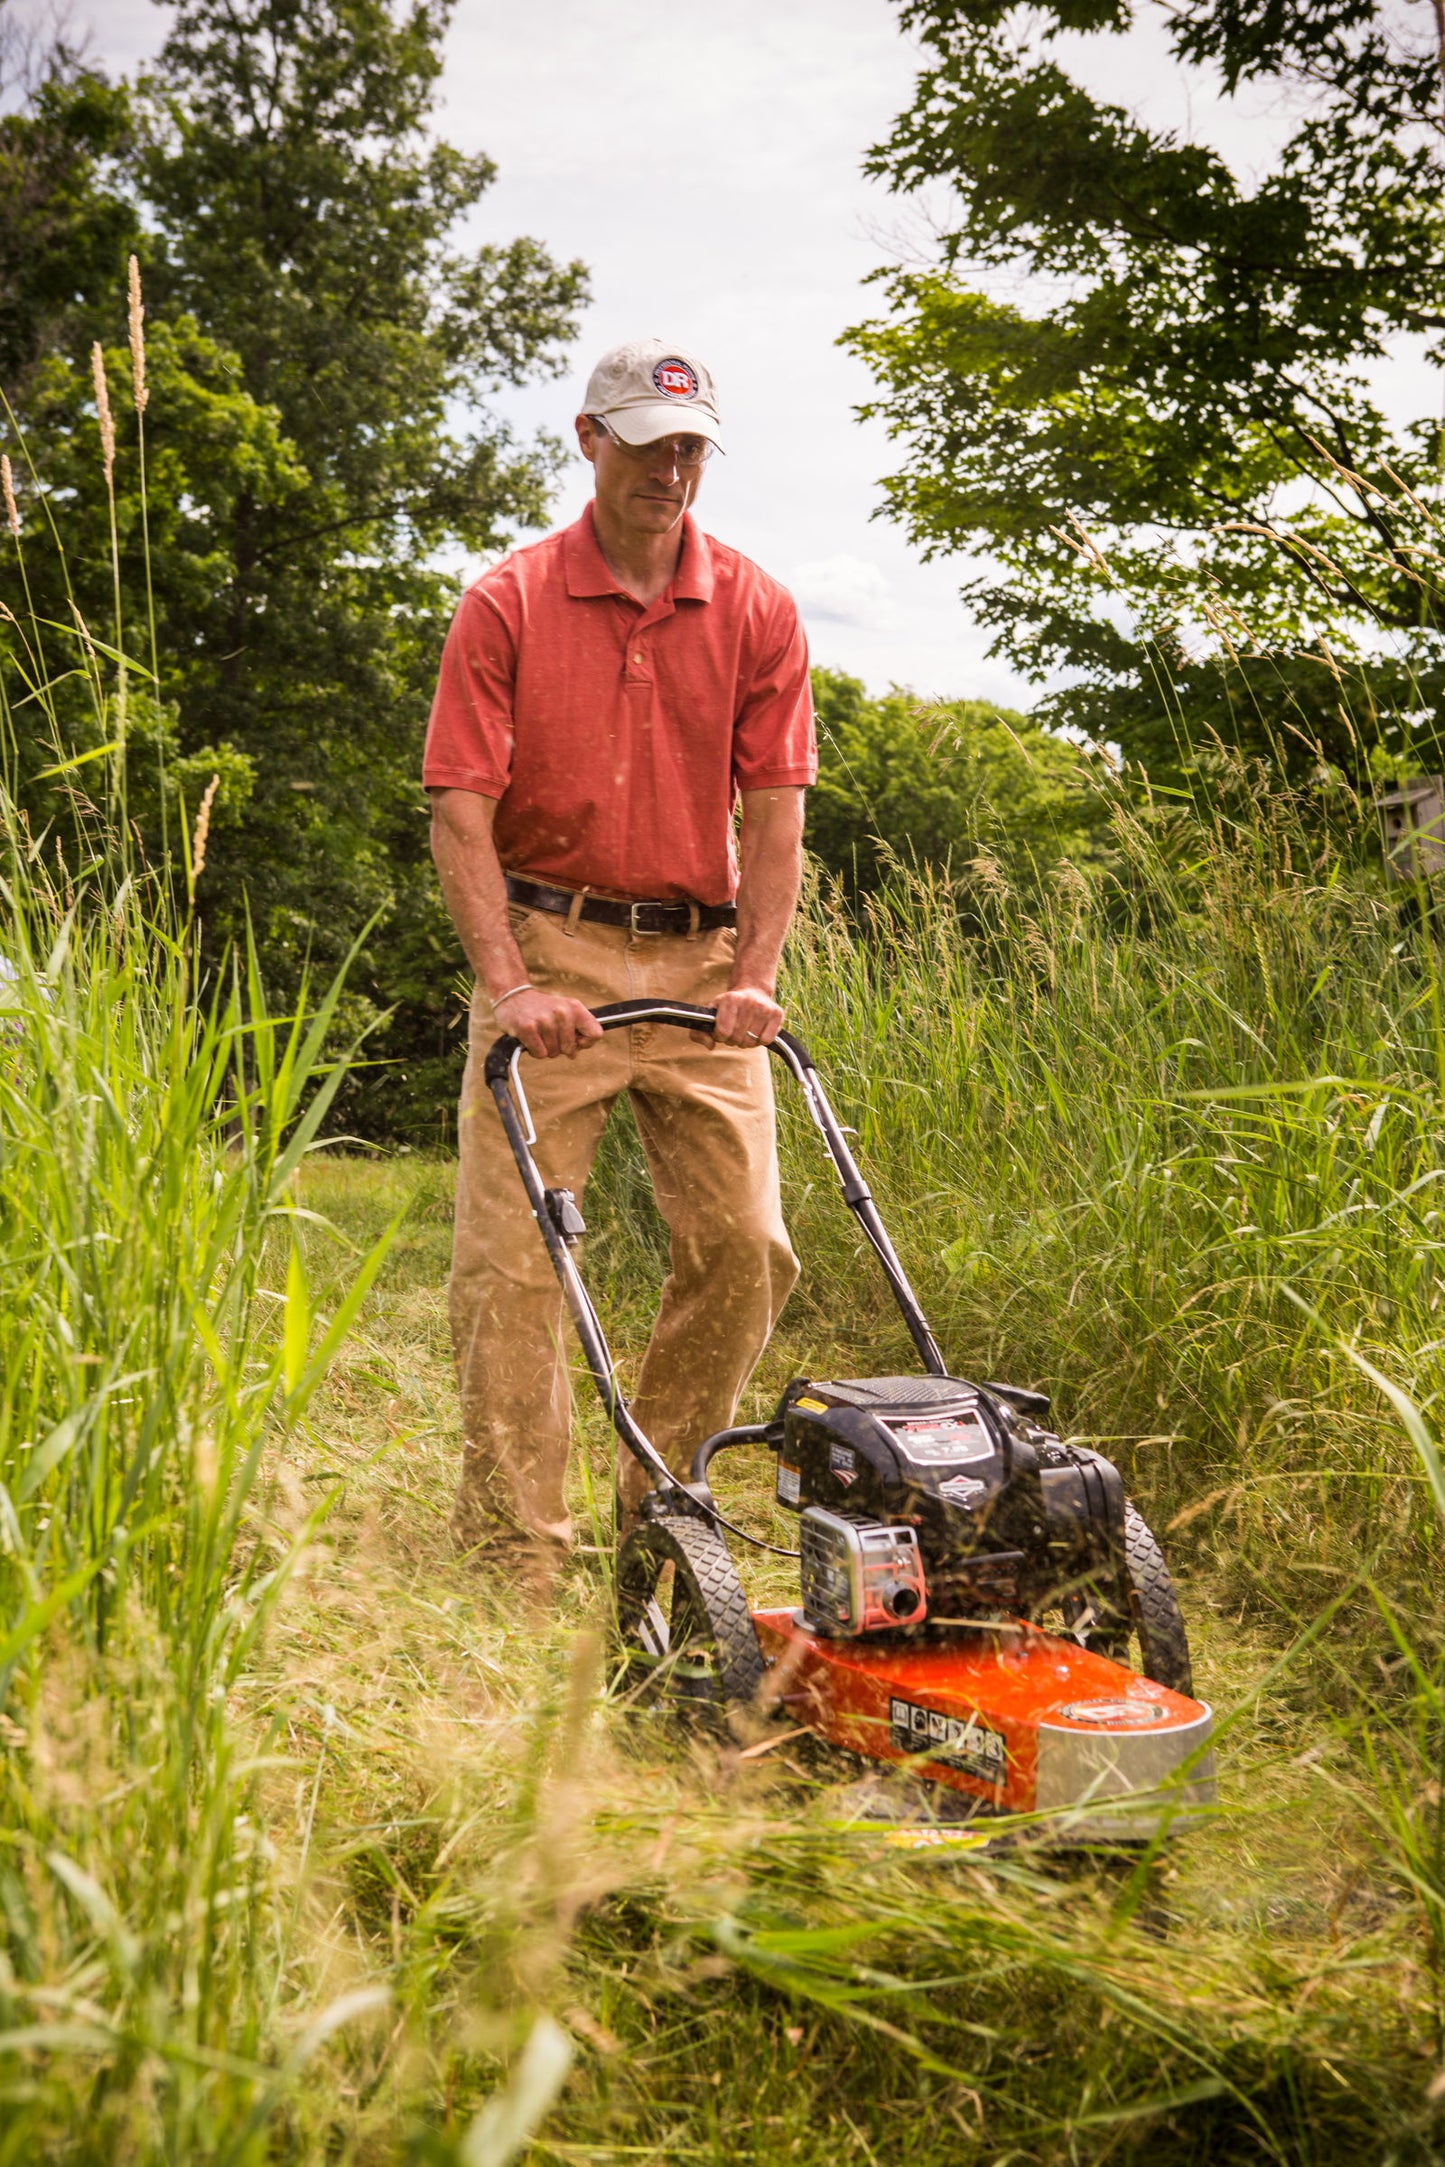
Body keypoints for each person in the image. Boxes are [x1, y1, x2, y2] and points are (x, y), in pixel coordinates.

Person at [423, 337, 817, 1599]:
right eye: (647, 444)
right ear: (589, 440)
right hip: (550, 956)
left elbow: (774, 814)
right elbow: (458, 810)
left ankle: (659, 1511)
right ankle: (512, 1557)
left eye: (692, 447)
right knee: (511, 1263)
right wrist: (511, 981)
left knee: (749, 1247)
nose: (672, 469)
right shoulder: (509, 601)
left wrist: (752, 972)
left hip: (701, 968)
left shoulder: (753, 605)